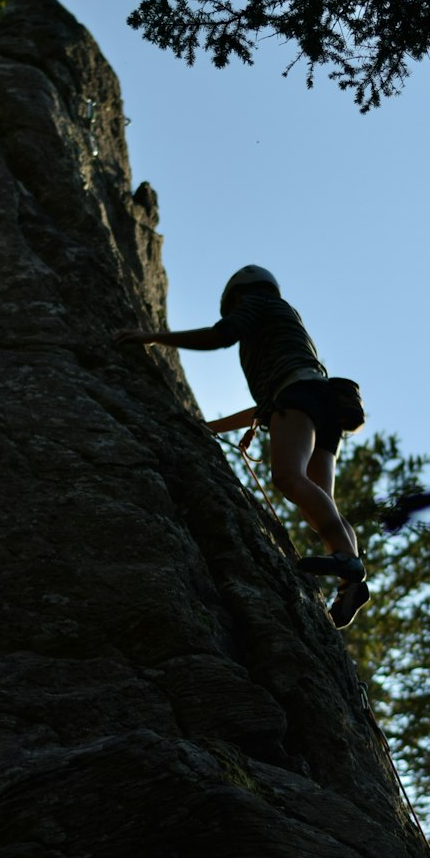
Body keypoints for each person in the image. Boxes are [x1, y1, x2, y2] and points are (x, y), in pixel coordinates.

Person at [115, 265, 370, 628]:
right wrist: (209, 428)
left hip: (298, 397)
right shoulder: (287, 321)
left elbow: (221, 336)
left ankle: (346, 558)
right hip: (323, 400)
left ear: (238, 294)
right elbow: (272, 397)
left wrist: (152, 337)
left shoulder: (256, 303)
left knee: (287, 477)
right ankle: (350, 582)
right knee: (319, 498)